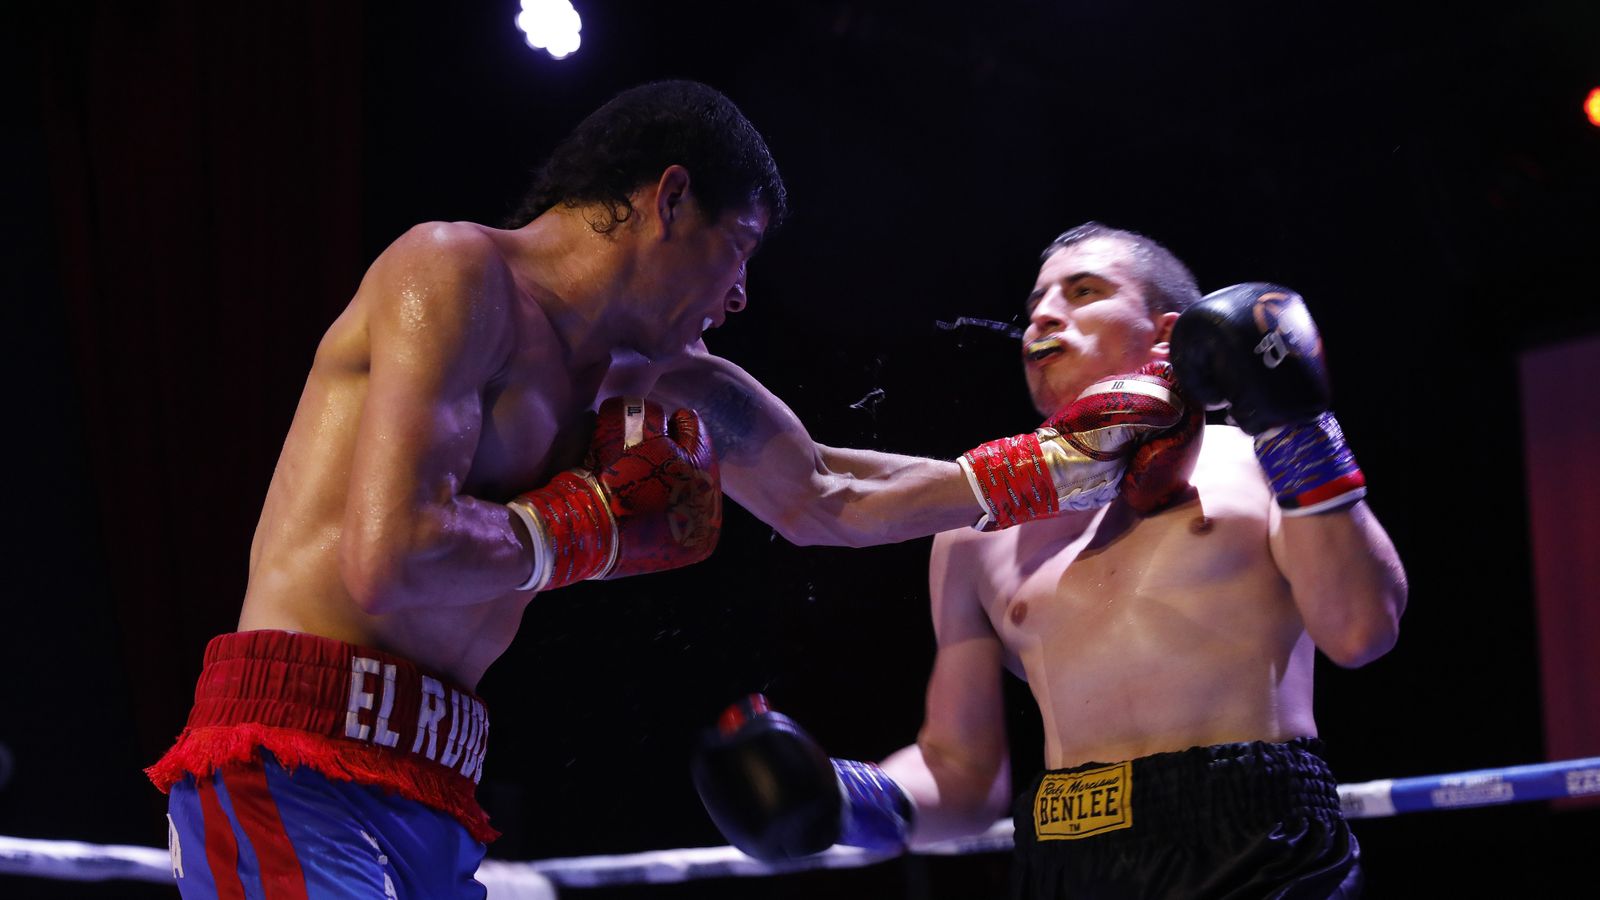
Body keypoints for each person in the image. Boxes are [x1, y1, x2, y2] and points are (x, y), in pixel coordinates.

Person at [143, 76, 1191, 898]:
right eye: (735, 253)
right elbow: (388, 561)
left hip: (435, 773)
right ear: (669, 198)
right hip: (292, 747)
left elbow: (826, 492)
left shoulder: (658, 379)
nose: (738, 296)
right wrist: (590, 524)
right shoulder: (453, 273)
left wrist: (1057, 470)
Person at [692, 222, 1409, 899]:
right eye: (1035, 301)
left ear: (1168, 332)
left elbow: (1359, 630)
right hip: (1068, 853)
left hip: (1255, 841)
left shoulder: (1258, 459)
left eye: (1083, 291)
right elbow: (961, 770)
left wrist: (1296, 423)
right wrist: (841, 800)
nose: (1042, 315)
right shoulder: (975, 534)